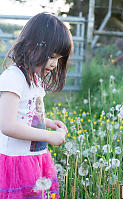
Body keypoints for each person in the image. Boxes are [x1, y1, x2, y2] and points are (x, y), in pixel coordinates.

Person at [0, 12, 73, 199]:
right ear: (32, 46)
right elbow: (8, 125)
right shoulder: (13, 78)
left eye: (59, 59)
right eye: (52, 56)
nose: (55, 64)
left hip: (33, 158)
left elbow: (26, 114)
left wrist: (48, 122)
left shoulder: (35, 78)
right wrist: (48, 136)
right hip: (15, 163)